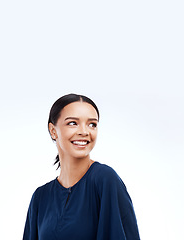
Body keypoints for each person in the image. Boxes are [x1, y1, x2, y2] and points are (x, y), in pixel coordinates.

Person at [23, 93, 140, 240]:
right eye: (73, 123)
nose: (84, 132)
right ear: (53, 131)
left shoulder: (105, 180)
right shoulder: (40, 197)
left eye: (92, 124)